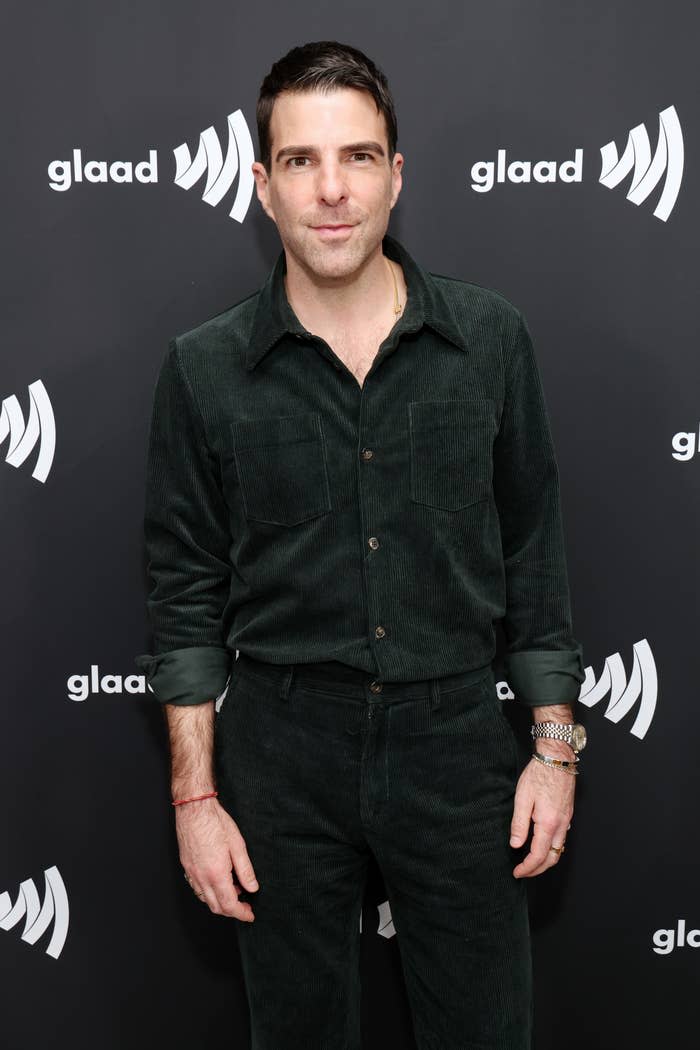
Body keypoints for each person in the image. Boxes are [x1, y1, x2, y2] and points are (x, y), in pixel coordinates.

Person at [135, 40, 586, 1050]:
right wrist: (196, 797)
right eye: (300, 161)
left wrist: (553, 751)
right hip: (281, 750)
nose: (331, 190)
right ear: (261, 184)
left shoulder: (490, 340)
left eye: (357, 157)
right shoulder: (204, 371)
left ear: (395, 174)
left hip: (459, 739)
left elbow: (536, 556)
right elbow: (184, 592)